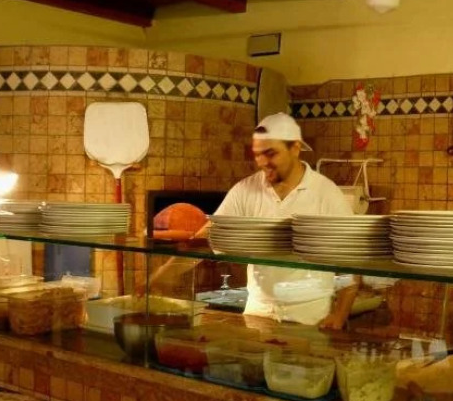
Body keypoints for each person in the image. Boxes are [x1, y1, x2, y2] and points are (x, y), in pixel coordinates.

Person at [151, 112, 358, 329]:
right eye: (258, 155)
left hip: (310, 316)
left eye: (271, 154)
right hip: (258, 312)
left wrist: (340, 314)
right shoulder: (245, 190)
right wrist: (160, 277)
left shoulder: (326, 193)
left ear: (295, 148)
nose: (262, 163)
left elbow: (352, 260)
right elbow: (206, 239)